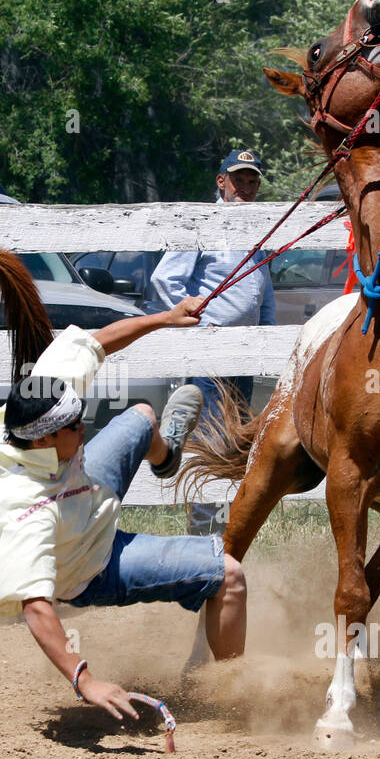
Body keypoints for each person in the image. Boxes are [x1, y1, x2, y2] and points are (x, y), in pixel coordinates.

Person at [0, 296, 247, 721]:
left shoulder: (42, 397)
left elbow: (96, 343)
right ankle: (233, 695)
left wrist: (166, 318)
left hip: (84, 491)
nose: (84, 425)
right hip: (90, 564)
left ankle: (167, 456)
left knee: (141, 415)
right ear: (44, 440)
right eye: (74, 426)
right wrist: (83, 680)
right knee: (230, 575)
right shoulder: (20, 508)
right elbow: (35, 606)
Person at [149, 148, 276, 535]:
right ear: (221, 181)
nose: (246, 187)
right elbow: (165, 279)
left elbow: (262, 291)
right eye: (239, 180)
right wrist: (196, 324)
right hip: (211, 350)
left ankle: (222, 529)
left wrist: (266, 336)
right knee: (211, 438)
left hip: (244, 352)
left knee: (236, 440)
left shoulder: (258, 230)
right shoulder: (203, 224)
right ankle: (203, 531)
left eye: (253, 181)